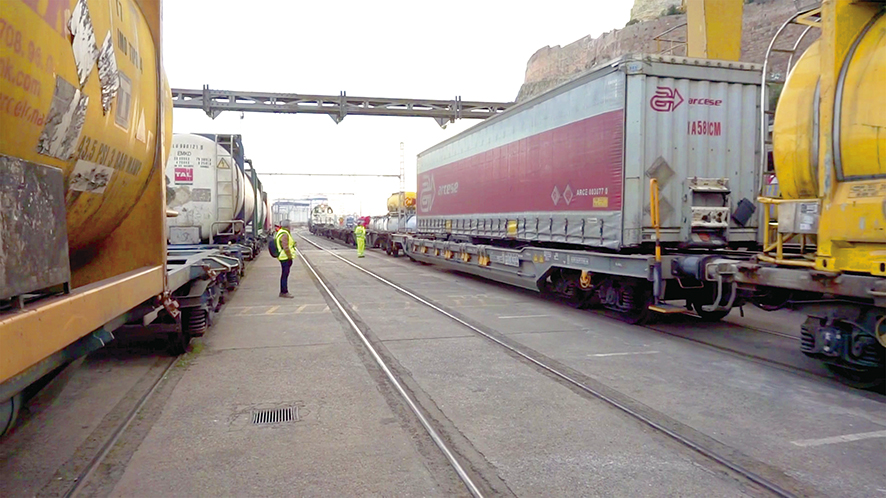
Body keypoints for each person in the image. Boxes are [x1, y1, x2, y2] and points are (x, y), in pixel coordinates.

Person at [275, 220, 297, 298]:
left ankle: (283, 291)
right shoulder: (284, 234)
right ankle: (284, 292)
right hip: (285, 257)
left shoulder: (281, 232)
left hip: (283, 257)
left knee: (284, 274)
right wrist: (290, 256)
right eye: (290, 226)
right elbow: (285, 247)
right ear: (287, 226)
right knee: (285, 275)